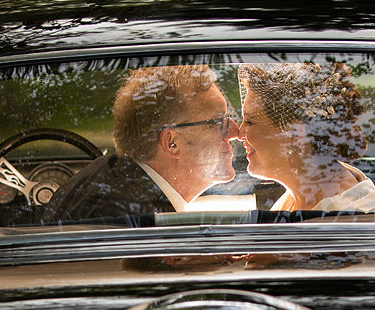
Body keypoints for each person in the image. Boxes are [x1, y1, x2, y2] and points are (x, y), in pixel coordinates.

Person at [41, 65, 238, 222]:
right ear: (172, 143)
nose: (234, 131)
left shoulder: (124, 187)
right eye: (217, 122)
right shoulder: (130, 219)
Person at [238, 62, 375, 213]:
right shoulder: (297, 197)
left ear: (293, 133)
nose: (239, 134)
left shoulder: (356, 217)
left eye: (250, 122)